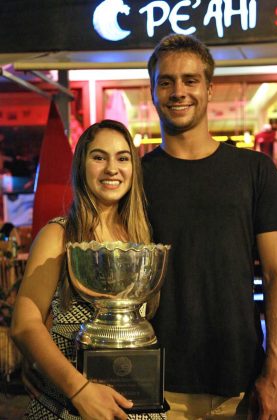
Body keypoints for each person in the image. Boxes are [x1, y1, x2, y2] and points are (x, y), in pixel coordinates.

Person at [142, 34, 277, 419]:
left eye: (190, 80)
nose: (178, 91)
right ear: (153, 91)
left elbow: (276, 274)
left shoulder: (255, 171)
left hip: (238, 385)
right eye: (166, 81)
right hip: (152, 384)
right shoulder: (135, 179)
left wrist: (276, 372)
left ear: (209, 88)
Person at [11, 119, 165, 419]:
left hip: (135, 406)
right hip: (69, 406)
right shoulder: (59, 235)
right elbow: (24, 324)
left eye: (122, 158)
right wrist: (79, 391)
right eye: (99, 157)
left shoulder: (141, 237)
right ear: (82, 165)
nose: (112, 168)